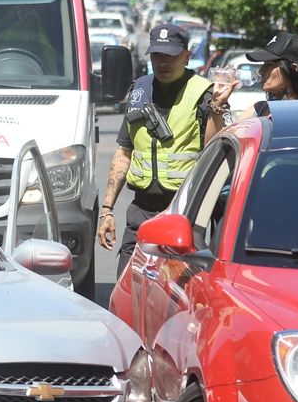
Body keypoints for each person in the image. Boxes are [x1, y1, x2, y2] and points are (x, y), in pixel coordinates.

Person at [97, 24, 233, 276]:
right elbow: (124, 152)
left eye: (171, 56)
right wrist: (107, 210)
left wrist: (217, 106)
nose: (163, 62)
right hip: (140, 214)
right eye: (157, 55)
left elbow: (214, 148)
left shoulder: (205, 94)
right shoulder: (139, 89)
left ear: (187, 56)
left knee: (175, 303)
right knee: (125, 297)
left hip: (184, 215)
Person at [246, 31, 298, 103]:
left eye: (269, 65)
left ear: (293, 69)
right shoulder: (259, 108)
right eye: (264, 64)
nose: (260, 71)